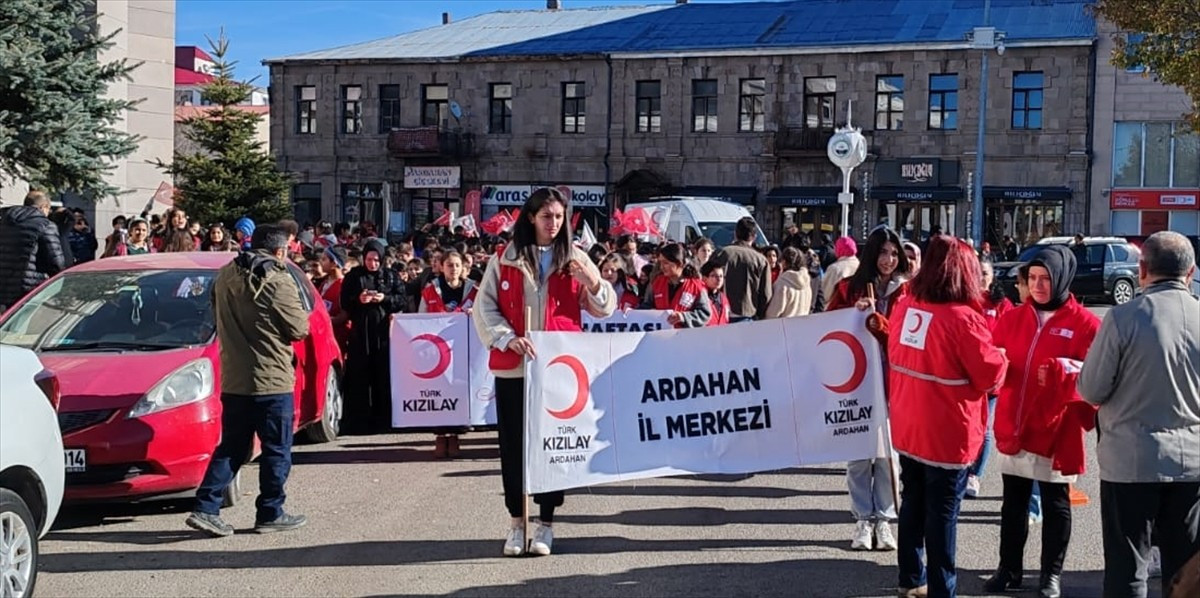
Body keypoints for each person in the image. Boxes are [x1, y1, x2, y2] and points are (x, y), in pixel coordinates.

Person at [473, 187, 615, 557]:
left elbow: (606, 308)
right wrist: (507, 338)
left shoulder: (576, 258)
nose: (553, 224)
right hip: (516, 370)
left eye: (559, 217)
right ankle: (516, 522)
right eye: (546, 216)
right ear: (531, 218)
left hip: (559, 371)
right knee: (515, 449)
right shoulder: (505, 260)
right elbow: (484, 308)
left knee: (553, 448)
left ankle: (546, 523)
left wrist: (593, 282)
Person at [1078, 231, 1199, 598]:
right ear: (1190, 272)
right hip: (1191, 460)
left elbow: (1092, 389)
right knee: (1185, 571)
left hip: (1130, 460)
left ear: (1141, 269)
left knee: (1128, 566)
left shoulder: (1122, 318)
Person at [888, 235, 1009, 598]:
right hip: (946, 431)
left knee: (912, 503)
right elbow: (990, 377)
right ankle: (944, 589)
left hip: (908, 423)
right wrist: (1002, 356)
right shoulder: (964, 320)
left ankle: (911, 578)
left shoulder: (906, 306)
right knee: (942, 516)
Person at [986, 245, 1100, 598]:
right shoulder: (1012, 318)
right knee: (1013, 502)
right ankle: (1009, 569)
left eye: (1045, 278)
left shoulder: (1086, 324)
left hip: (1056, 428)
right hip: (1015, 423)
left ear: (1063, 278)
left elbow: (1096, 378)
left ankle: (1050, 574)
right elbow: (991, 359)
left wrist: (1064, 371)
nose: (1037, 285)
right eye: (1032, 278)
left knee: (1055, 503)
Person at [185, 224, 310, 537]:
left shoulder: (226, 273)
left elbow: (213, 312)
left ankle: (206, 506)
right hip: (272, 378)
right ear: (280, 251)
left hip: (235, 377)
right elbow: (298, 328)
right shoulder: (277, 279)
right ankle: (270, 511)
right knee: (276, 449)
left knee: (232, 446)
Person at [827, 226, 911, 552]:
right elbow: (827, 328)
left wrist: (880, 325)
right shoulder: (849, 288)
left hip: (895, 383)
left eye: (894, 253)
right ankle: (863, 518)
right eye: (883, 252)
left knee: (889, 455)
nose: (888, 259)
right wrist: (851, 313)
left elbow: (907, 338)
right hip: (856, 385)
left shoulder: (907, 292)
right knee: (859, 457)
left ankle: (885, 520)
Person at [341, 239, 408, 435]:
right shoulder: (354, 276)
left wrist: (384, 298)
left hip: (383, 333)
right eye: (369, 259)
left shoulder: (391, 276)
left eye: (376, 260)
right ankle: (358, 421)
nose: (373, 264)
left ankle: (384, 419)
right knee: (359, 375)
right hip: (361, 333)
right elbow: (345, 301)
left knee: (383, 374)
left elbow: (402, 299)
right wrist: (358, 299)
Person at [965, 259, 1015, 498]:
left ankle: (975, 474)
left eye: (984, 273)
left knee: (984, 428)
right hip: (966, 374)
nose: (980, 277)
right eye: (976, 272)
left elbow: (1013, 334)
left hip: (991, 376)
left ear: (993, 276)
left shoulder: (1002, 304)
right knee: (966, 426)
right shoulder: (965, 299)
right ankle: (963, 469)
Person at [0, 191, 67, 311]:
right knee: (17, 326)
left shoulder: (4, 221)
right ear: (44, 207)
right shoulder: (45, 225)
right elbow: (56, 262)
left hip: (3, 287)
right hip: (27, 288)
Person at [712, 217, 772, 321]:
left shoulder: (721, 254)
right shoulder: (761, 260)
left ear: (735, 234)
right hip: (747, 314)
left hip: (720, 313)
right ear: (754, 237)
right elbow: (766, 294)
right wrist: (759, 315)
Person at [647, 242, 711, 328]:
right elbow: (646, 305)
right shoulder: (657, 283)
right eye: (660, 263)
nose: (661, 267)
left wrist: (683, 317)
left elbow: (705, 314)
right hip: (660, 336)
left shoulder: (696, 286)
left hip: (684, 337)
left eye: (665, 263)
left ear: (679, 263)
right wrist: (632, 312)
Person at [317, 246, 350, 354]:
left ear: (334, 263)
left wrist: (325, 321)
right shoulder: (325, 282)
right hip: (322, 334)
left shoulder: (343, 286)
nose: (320, 262)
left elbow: (344, 315)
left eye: (324, 259)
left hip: (336, 338)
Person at [764, 246, 812, 319]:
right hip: (801, 326)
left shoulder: (783, 284)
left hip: (783, 327)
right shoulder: (807, 283)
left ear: (784, 262)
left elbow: (773, 313)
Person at [821, 236, 860, 313]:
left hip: (836, 312)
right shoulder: (860, 266)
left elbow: (824, 294)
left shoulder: (835, 269)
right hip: (856, 311)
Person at [701, 260, 730, 326]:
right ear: (705, 278)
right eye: (714, 276)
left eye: (721, 276)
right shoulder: (700, 296)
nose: (719, 279)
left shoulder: (723, 298)